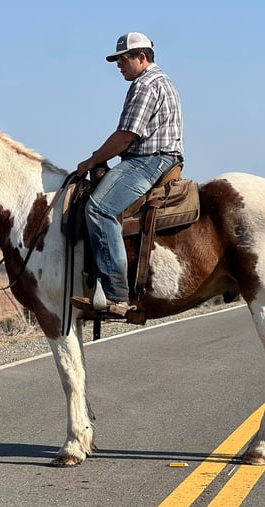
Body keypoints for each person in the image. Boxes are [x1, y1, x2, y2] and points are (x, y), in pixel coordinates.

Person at [76, 32, 184, 317]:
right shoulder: (162, 81)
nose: (118, 65)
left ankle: (115, 295)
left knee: (99, 209)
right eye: (116, 61)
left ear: (141, 57)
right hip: (161, 157)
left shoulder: (145, 85)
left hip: (148, 160)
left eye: (123, 59)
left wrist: (92, 160)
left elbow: (126, 136)